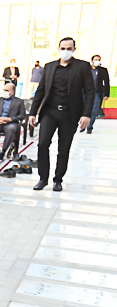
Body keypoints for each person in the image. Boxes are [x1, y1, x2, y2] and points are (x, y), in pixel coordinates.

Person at [28, 37, 95, 192]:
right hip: (49, 112)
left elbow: (90, 91)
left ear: (74, 49)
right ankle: (43, 178)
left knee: (63, 149)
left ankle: (58, 179)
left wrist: (87, 114)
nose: (66, 51)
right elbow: (41, 91)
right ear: (58, 49)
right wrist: (33, 112)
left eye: (69, 48)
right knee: (42, 144)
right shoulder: (50, 67)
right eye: (63, 48)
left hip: (70, 114)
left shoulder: (82, 67)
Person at [0, 83, 27, 159]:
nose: (4, 92)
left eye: (7, 90)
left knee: (11, 129)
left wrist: (10, 119)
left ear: (12, 92)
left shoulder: (19, 102)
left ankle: (3, 151)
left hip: (11, 123)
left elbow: (22, 115)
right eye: (4, 90)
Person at [86, 55, 110, 134]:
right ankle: (83, 124)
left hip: (97, 93)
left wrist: (106, 94)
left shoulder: (103, 70)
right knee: (84, 109)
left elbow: (106, 82)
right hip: (86, 92)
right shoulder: (86, 69)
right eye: (96, 60)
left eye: (99, 60)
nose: (97, 61)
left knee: (94, 110)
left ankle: (89, 127)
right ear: (92, 61)